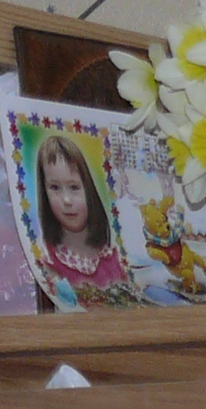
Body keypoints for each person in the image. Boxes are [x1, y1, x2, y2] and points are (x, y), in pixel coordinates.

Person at [31, 128, 132, 303]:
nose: (66, 200)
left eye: (74, 187)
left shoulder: (114, 259)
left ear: (89, 188)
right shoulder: (46, 260)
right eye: (55, 188)